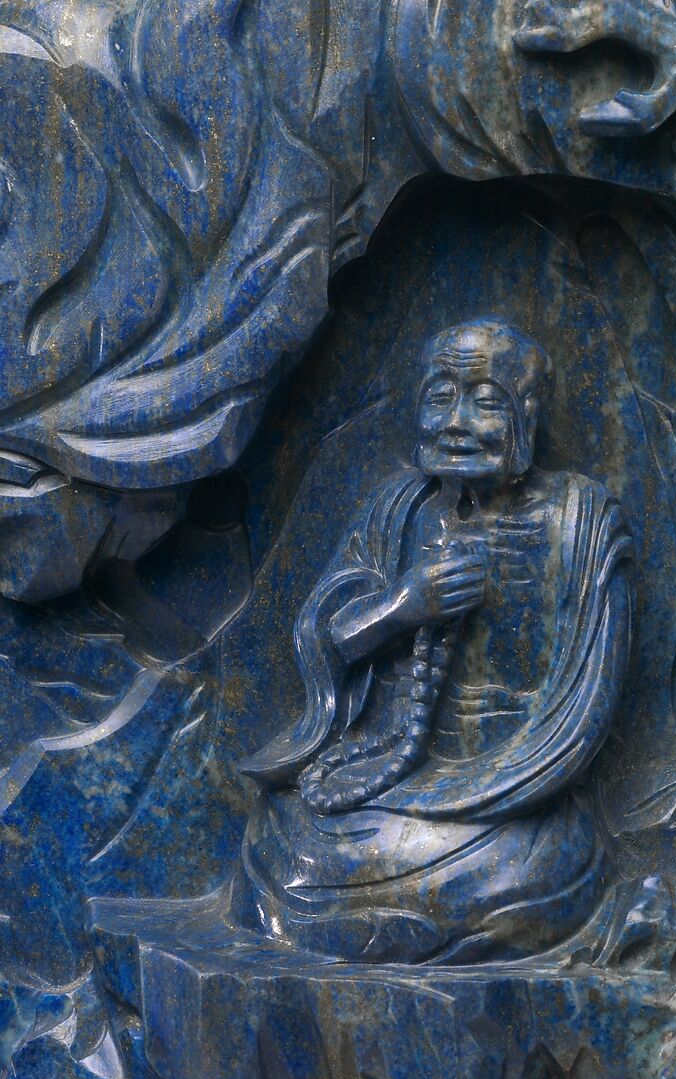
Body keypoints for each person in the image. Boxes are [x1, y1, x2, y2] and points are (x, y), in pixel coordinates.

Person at [233, 318, 634, 963]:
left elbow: (590, 706)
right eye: (440, 397)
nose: (456, 421)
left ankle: (431, 919)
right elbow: (324, 639)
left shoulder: (579, 521)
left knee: (530, 864)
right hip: (389, 773)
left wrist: (472, 792)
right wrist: (401, 607)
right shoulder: (400, 509)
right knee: (286, 840)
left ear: (527, 415)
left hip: (516, 799)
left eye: (484, 401)